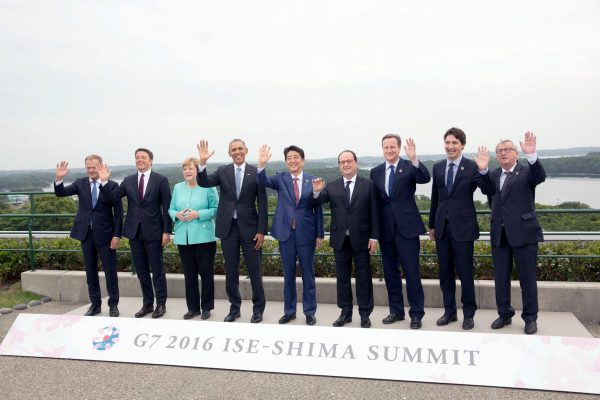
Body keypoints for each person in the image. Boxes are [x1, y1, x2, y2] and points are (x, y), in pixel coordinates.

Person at [428, 128, 495, 330]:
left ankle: (468, 314)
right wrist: (432, 224)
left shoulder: (471, 166)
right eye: (447, 142)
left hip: (463, 228)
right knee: (445, 273)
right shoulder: (438, 167)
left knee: (465, 273)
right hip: (441, 228)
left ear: (462, 145)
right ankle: (449, 312)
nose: (450, 146)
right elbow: (435, 198)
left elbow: (488, 189)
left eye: (455, 143)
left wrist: (484, 170)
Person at [196, 139, 267, 323]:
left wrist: (261, 230)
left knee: (255, 272)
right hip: (228, 229)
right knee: (231, 272)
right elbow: (204, 182)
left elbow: (263, 203)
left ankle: (258, 309)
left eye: (240, 149)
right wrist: (202, 163)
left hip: (251, 230)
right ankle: (234, 309)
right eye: (233, 150)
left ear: (246, 150)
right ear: (229, 153)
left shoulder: (255, 172)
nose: (237, 152)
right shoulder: (222, 171)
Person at [98, 148, 172, 319]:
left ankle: (161, 304)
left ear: (151, 160)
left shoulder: (161, 180)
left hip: (154, 232)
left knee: (157, 270)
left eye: (143, 157)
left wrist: (167, 231)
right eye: (137, 157)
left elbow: (166, 207)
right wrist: (104, 182)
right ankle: (147, 304)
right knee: (141, 271)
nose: (140, 160)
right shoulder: (128, 180)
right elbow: (113, 198)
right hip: (134, 232)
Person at [257, 144, 324, 326]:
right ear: (286, 162)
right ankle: (290, 311)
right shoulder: (280, 178)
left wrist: (319, 234)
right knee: (288, 275)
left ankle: (310, 312)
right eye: (289, 158)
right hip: (285, 233)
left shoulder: (313, 180)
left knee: (308, 274)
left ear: (303, 160)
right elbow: (262, 182)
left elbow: (317, 208)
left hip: (306, 234)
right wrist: (261, 165)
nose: (293, 161)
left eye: (296, 157)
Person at [312, 150, 379, 328]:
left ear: (356, 163)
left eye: (349, 161)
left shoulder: (368, 185)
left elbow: (375, 213)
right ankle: (345, 313)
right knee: (342, 279)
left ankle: (365, 314)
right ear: (339, 165)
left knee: (363, 278)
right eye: (342, 162)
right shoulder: (332, 186)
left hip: (362, 239)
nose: (346, 164)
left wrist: (374, 237)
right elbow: (319, 201)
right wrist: (317, 192)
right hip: (340, 240)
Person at [370, 134, 430, 329]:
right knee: (390, 274)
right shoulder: (375, 171)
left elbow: (424, 178)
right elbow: (375, 203)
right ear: (382, 149)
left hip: (407, 229)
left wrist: (414, 159)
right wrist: (374, 233)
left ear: (399, 148)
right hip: (386, 231)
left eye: (393, 147)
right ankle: (396, 311)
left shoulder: (408, 167)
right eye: (386, 147)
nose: (389, 150)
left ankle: (416, 314)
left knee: (412, 273)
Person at [488, 132, 545, 335]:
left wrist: (533, 156)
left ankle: (530, 318)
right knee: (500, 278)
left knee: (527, 279)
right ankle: (504, 314)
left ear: (516, 153)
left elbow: (540, 176)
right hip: (499, 235)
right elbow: (493, 201)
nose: (503, 153)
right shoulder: (494, 175)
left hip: (524, 234)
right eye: (499, 151)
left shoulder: (527, 172)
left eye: (507, 150)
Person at [54, 155, 123, 317]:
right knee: (90, 272)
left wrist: (117, 235)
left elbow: (119, 214)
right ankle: (95, 304)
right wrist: (58, 179)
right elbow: (61, 193)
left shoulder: (112, 185)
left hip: (106, 235)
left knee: (110, 272)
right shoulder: (80, 183)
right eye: (88, 168)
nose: (91, 170)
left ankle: (113, 304)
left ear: (101, 166)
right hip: (86, 234)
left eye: (94, 167)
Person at [169, 157, 219, 320]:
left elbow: (215, 208)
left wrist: (198, 214)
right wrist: (176, 214)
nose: (187, 171)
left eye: (191, 168)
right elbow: (171, 208)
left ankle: (206, 307)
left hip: (204, 237)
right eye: (185, 169)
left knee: (206, 274)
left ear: (198, 170)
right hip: (183, 238)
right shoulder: (177, 187)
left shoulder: (208, 187)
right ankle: (193, 308)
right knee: (189, 275)